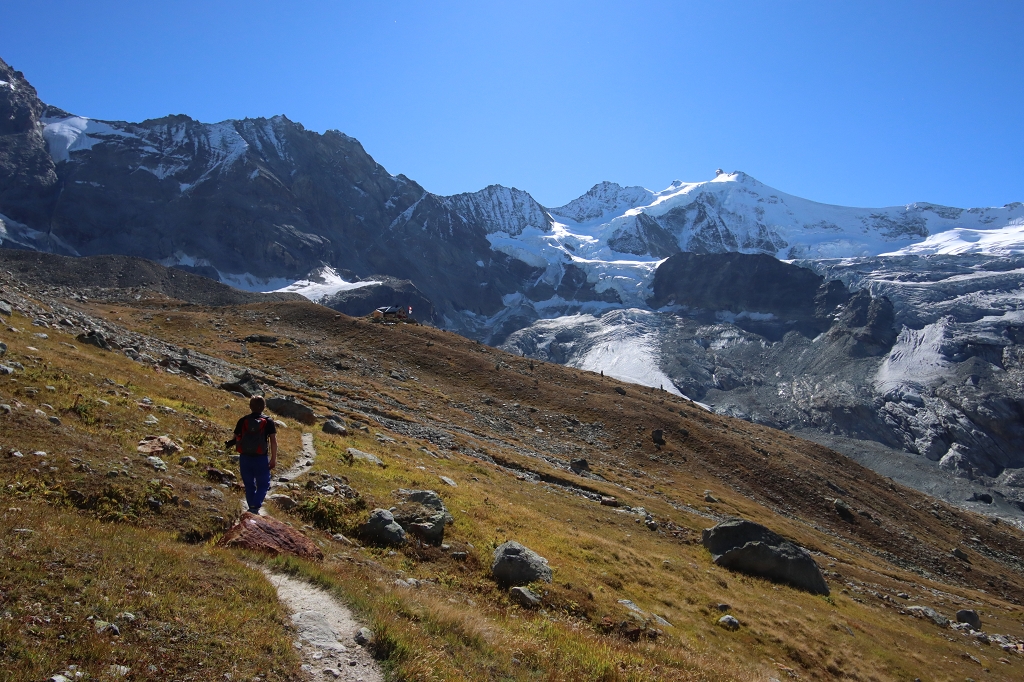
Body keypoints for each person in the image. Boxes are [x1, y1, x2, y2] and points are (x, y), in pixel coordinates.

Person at [232, 395, 277, 515]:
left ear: (250, 406)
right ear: (264, 407)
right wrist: (273, 459)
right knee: (263, 484)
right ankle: (254, 507)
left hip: (245, 457)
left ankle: (251, 507)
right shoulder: (268, 421)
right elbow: (273, 441)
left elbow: (235, 438)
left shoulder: (243, 420)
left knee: (249, 484)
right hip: (261, 457)